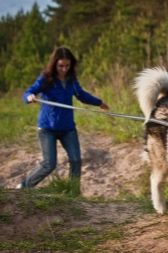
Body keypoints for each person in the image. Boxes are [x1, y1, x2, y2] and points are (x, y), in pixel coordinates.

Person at [17, 46, 109, 192]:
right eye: (61, 66)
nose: (64, 69)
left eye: (67, 65)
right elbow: (28, 92)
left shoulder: (72, 80)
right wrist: (29, 97)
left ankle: (73, 193)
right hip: (47, 128)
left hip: (67, 128)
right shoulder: (46, 79)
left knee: (76, 160)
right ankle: (23, 187)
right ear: (54, 64)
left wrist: (99, 102)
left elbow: (81, 95)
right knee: (49, 164)